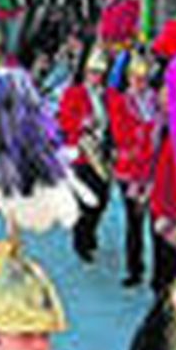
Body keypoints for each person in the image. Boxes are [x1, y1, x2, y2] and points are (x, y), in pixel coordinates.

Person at [56, 49, 111, 266]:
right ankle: (82, 240)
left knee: (103, 199)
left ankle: (90, 231)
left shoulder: (107, 95)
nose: (96, 77)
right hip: (82, 153)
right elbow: (65, 120)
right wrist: (81, 124)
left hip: (102, 153)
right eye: (93, 73)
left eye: (99, 74)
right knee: (88, 200)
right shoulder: (74, 93)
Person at [108, 54, 157, 288]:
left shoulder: (155, 101)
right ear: (128, 79)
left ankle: (158, 271)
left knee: (156, 224)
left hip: (153, 169)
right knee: (134, 221)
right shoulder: (121, 102)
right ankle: (135, 268)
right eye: (136, 79)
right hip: (131, 170)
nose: (140, 83)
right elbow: (121, 134)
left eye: (144, 79)